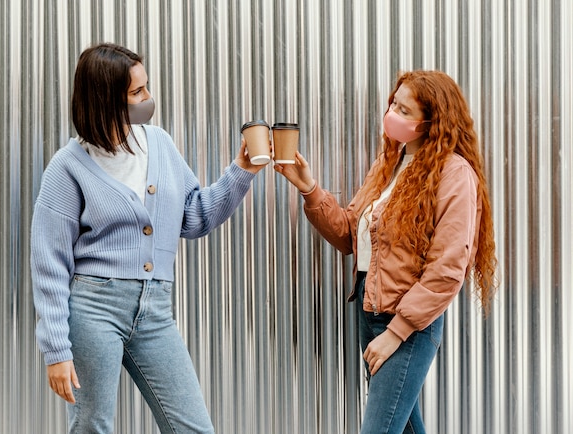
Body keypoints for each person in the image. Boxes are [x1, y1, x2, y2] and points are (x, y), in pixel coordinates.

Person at [30, 43, 268, 434]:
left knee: (192, 427)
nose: (148, 99)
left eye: (146, 88)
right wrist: (56, 349)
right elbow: (49, 264)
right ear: (106, 100)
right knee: (93, 426)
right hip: (93, 309)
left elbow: (194, 218)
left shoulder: (158, 143)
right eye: (137, 93)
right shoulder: (68, 167)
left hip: (154, 309)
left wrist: (241, 170)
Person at [275, 70, 498, 434]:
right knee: (404, 426)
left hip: (407, 322)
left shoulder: (453, 174)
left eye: (404, 109)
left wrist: (397, 332)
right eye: (393, 102)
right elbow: (351, 236)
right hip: (370, 309)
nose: (392, 112)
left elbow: (448, 269)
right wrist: (309, 187)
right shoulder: (390, 165)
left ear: (430, 123)